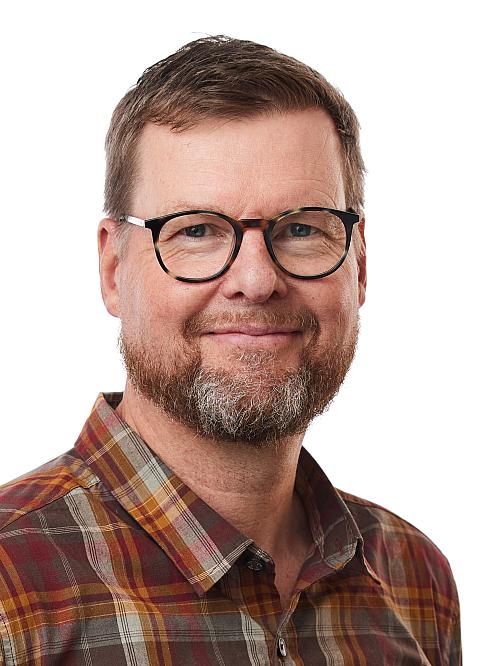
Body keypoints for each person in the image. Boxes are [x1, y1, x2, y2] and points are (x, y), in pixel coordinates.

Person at [0, 35, 461, 665]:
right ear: (112, 270)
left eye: (300, 229)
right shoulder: (12, 586)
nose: (256, 280)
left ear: (359, 265)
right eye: (196, 231)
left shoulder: (414, 579)